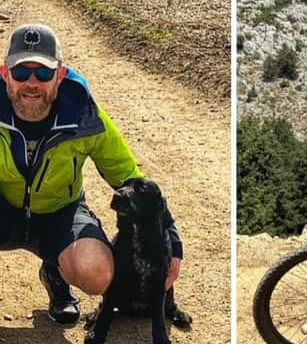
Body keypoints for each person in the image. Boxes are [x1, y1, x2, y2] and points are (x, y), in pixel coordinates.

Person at [0, 23, 182, 325]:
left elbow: (130, 176)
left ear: (60, 75)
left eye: (43, 73)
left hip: (62, 213)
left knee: (97, 273)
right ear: (5, 73)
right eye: (22, 73)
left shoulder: (84, 114)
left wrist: (171, 238)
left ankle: (55, 274)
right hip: (4, 210)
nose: (32, 83)